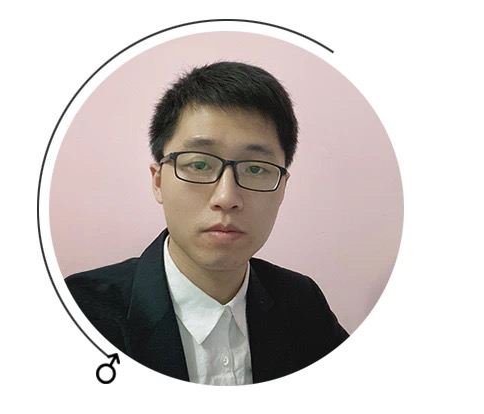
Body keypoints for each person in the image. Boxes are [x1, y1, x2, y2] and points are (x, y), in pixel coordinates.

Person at [66, 61, 348, 385]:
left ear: (282, 188)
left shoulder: (302, 303)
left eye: (256, 169)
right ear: (158, 181)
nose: (226, 197)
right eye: (199, 164)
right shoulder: (80, 310)